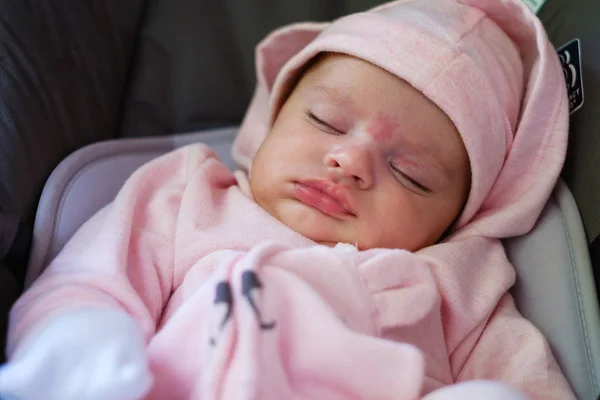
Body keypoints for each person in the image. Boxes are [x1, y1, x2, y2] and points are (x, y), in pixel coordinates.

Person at [0, 0, 575, 399]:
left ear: (458, 219)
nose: (349, 161)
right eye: (326, 120)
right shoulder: (189, 196)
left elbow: (527, 379)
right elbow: (90, 282)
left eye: (412, 174)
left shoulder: (462, 286)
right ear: (271, 119)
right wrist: (80, 342)